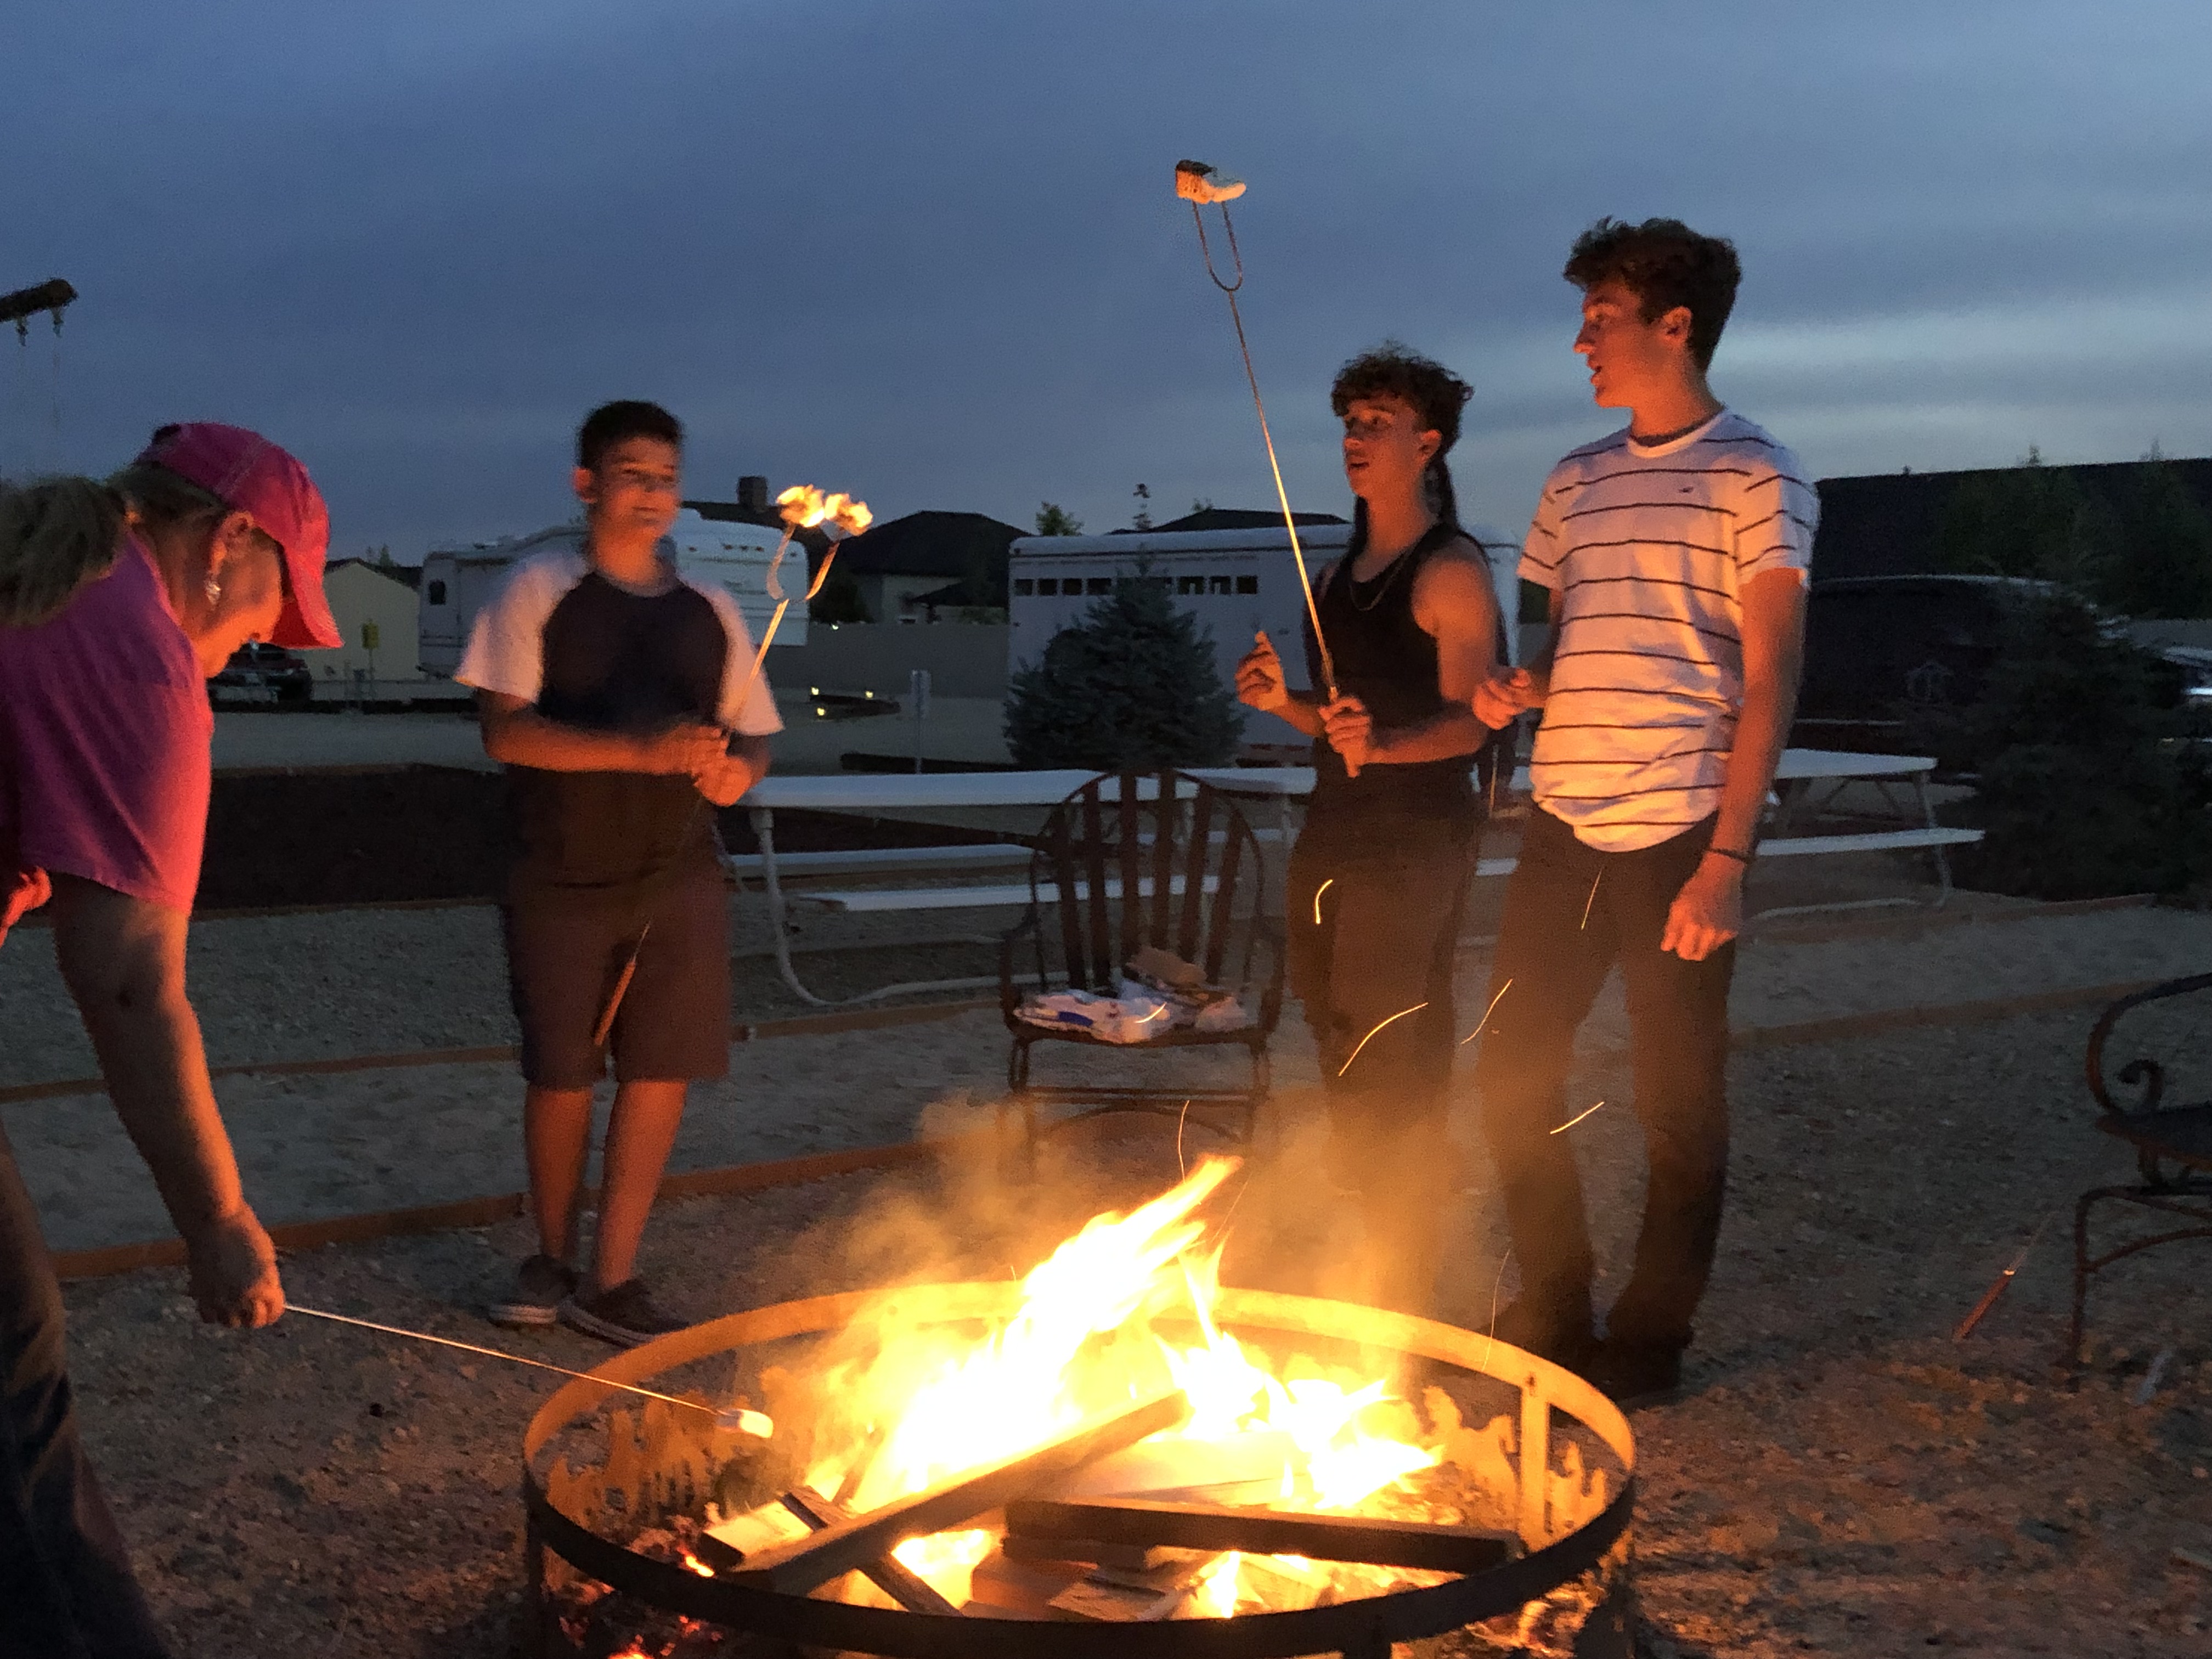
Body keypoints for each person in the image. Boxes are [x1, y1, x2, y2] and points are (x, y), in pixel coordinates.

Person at [0, 422, 334, 1657]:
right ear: (228, 539)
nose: (262, 639)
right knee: (10, 1391)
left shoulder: (43, 574)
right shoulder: (133, 653)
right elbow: (131, 985)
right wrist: (220, 1223)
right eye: (273, 604)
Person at [1470, 218, 1815, 1404]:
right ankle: (1554, 1302)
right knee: (1508, 1069)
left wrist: (1727, 859)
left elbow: (1768, 677)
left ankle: (1652, 1338)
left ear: (1675, 324)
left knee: (1677, 1100)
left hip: (1679, 830)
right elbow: (1577, 650)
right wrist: (1524, 689)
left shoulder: (1757, 476)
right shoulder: (1577, 480)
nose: (1581, 341)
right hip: (1564, 823)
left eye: (1600, 317)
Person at [460, 400, 778, 1346]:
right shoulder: (540, 589)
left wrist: (736, 772)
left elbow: (754, 735)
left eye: (667, 480)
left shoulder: (710, 611)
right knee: (561, 1071)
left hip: (676, 874)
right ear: (587, 484)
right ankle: (552, 1258)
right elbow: (505, 730)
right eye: (634, 475)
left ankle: (613, 1277)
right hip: (559, 870)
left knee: (659, 1068)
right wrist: (641, 753)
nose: (653, 496)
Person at [1235, 345, 1503, 1317]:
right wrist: (1286, 705)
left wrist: (1379, 746)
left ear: (1428, 444)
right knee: (1333, 1019)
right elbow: (1343, 722)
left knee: (1389, 1035)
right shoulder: (1343, 570)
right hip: (1337, 826)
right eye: (1350, 422)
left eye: (1377, 423)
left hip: (1418, 837)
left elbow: (1477, 719)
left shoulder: (1452, 571)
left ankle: (1408, 1265)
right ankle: (1373, 1227)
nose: (1355, 440)